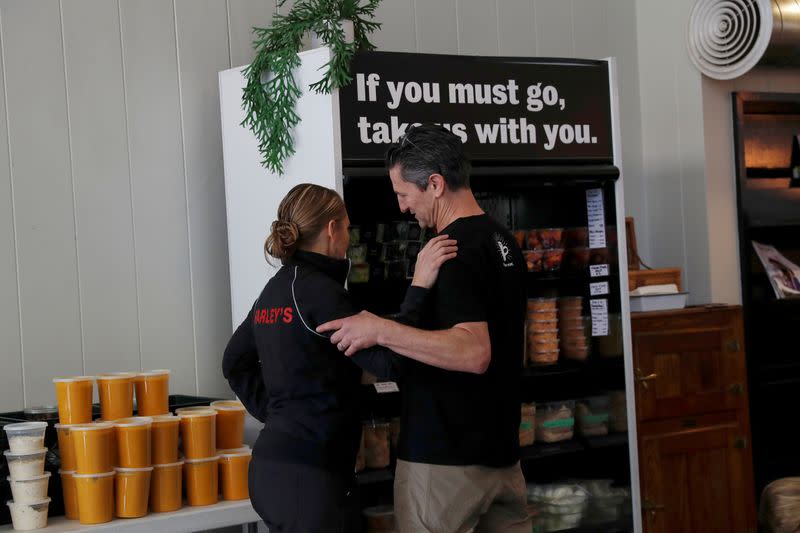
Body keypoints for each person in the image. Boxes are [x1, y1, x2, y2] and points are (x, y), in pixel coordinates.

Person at [318, 124, 531, 533]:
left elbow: (474, 352)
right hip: (503, 459)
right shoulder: (502, 241)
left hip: (445, 466)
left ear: (434, 184)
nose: (401, 207)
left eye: (403, 193)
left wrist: (379, 329)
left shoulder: (450, 251)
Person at [221, 183, 456, 532]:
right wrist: (419, 287)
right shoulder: (321, 293)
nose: (349, 235)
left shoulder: (274, 290)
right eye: (347, 226)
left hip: (272, 469)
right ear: (332, 229)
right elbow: (391, 363)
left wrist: (277, 414)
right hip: (309, 478)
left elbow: (233, 362)